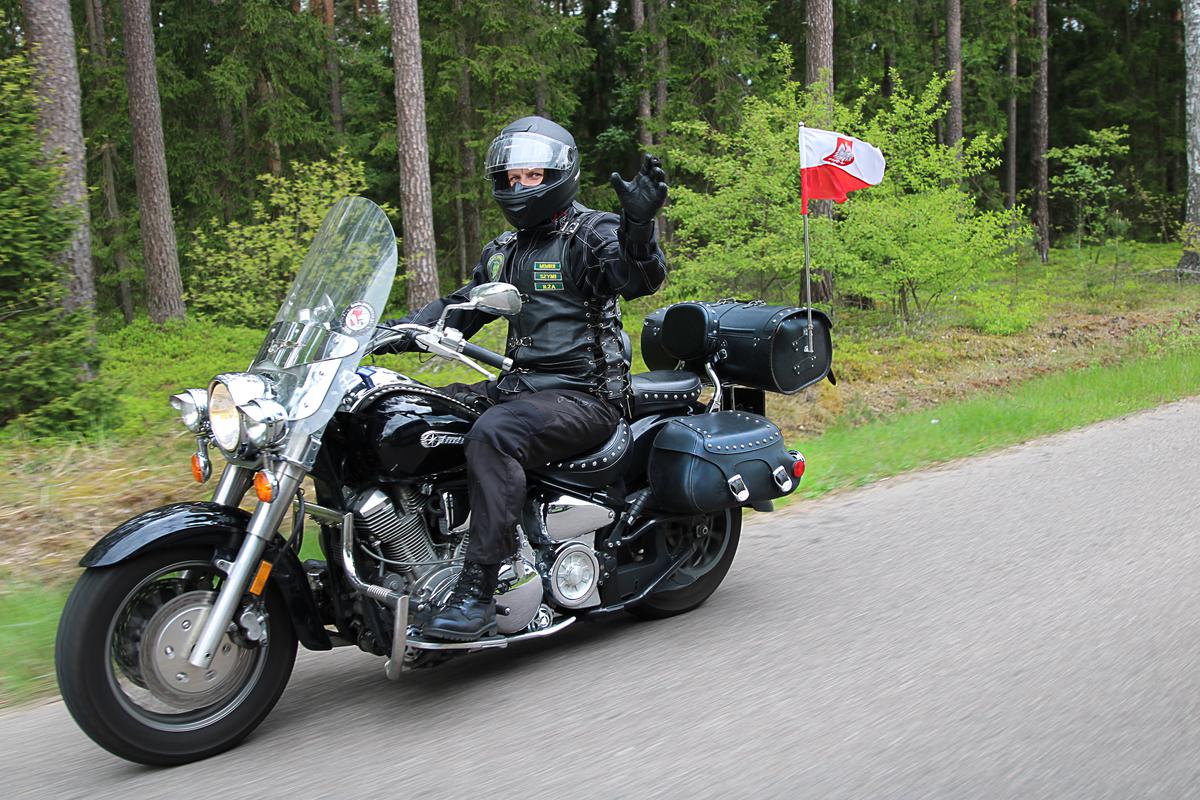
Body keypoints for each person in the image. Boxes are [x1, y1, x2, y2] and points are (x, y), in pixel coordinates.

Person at [378, 115, 668, 641]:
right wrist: (379, 334)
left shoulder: (590, 234)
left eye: (531, 175)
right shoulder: (504, 251)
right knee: (406, 412)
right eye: (512, 178)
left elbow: (636, 277)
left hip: (584, 396)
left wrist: (639, 227)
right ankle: (411, 559)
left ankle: (477, 592)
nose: (519, 186)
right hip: (520, 390)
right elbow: (457, 309)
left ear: (558, 175)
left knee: (495, 434)